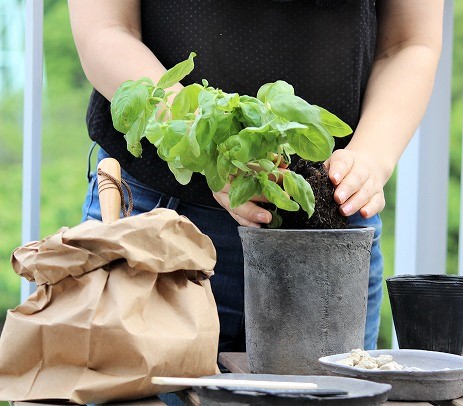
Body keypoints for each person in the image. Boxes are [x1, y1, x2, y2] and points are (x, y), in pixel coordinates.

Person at [68, 0, 443, 353]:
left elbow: (409, 42)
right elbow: (106, 28)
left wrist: (372, 157)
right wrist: (210, 146)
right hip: (159, 225)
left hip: (331, 232)